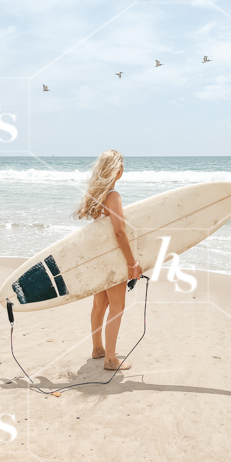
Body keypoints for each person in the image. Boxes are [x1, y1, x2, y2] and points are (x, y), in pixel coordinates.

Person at [73, 150, 142, 370]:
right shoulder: (113, 196)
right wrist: (132, 263)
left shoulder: (93, 197)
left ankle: (98, 349)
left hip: (97, 259)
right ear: (118, 171)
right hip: (113, 260)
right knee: (117, 306)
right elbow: (119, 232)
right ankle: (111, 360)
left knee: (99, 304)